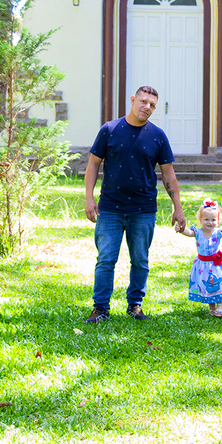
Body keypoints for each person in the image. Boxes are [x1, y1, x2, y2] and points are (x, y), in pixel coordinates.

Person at [84, 85, 185, 323]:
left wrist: (177, 207)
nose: (146, 107)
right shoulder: (109, 129)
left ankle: (135, 306)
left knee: (140, 259)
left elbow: (169, 174)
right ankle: (100, 309)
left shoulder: (157, 135)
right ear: (132, 100)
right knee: (106, 258)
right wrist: (89, 197)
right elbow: (92, 165)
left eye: (152, 105)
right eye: (143, 102)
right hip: (110, 207)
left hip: (143, 209)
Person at [178, 199, 222, 317]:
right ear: (200, 220)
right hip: (202, 265)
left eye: (213, 220)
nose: (210, 222)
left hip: (216, 264)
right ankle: (211, 309)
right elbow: (188, 233)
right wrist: (180, 229)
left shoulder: (218, 232)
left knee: (217, 283)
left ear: (218, 220)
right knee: (207, 286)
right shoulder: (198, 232)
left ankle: (220, 305)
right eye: (206, 219)